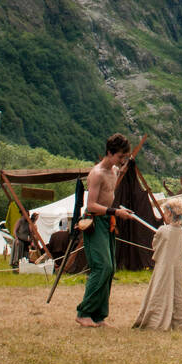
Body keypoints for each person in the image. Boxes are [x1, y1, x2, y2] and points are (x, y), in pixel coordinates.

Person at [75, 133, 134, 328]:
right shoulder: (97, 174)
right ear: (109, 153)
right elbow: (91, 205)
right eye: (119, 156)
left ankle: (99, 316)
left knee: (111, 269)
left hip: (108, 220)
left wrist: (117, 212)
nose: (121, 160)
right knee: (102, 267)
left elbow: (108, 196)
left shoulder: (115, 171)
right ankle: (84, 312)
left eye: (124, 157)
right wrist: (115, 211)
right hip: (94, 221)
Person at [133, 198, 182, 331]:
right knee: (178, 293)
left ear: (169, 213)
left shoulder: (163, 230)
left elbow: (155, 245)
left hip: (164, 268)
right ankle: (180, 323)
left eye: (165, 212)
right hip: (178, 269)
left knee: (160, 292)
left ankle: (155, 322)